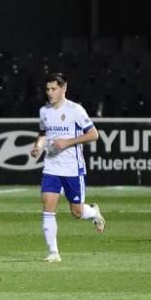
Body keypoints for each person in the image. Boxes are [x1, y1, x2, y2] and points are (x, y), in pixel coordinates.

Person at [29, 72, 107, 263]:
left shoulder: (76, 110)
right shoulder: (44, 111)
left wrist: (68, 142)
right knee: (48, 205)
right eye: (47, 89)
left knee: (77, 212)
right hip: (51, 167)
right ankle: (53, 252)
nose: (49, 93)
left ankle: (94, 212)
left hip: (73, 169)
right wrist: (38, 147)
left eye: (53, 89)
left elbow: (94, 135)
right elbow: (43, 133)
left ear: (64, 89)